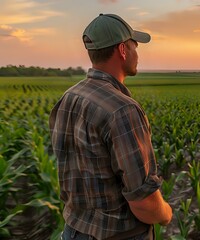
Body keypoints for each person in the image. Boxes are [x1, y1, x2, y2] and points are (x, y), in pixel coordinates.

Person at [49, 13, 172, 240]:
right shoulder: (122, 110)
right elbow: (143, 202)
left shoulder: (68, 97)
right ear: (123, 50)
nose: (138, 53)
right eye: (135, 45)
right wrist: (165, 214)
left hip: (73, 232)